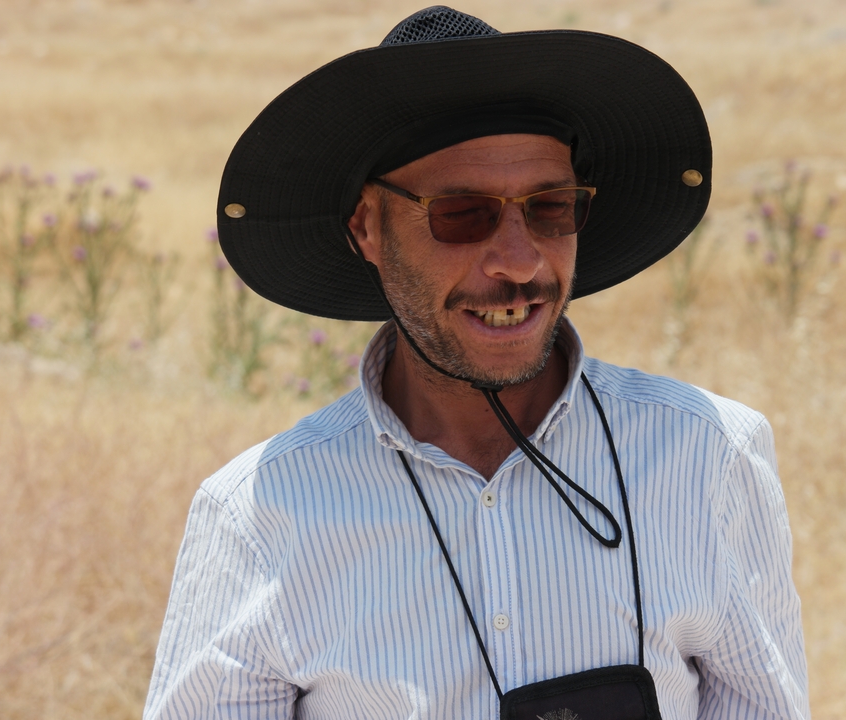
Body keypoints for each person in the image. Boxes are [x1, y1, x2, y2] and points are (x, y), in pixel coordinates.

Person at [144, 7, 809, 720]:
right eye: (461, 213)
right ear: (366, 227)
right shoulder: (259, 515)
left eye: (551, 207)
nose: (520, 261)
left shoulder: (708, 455)